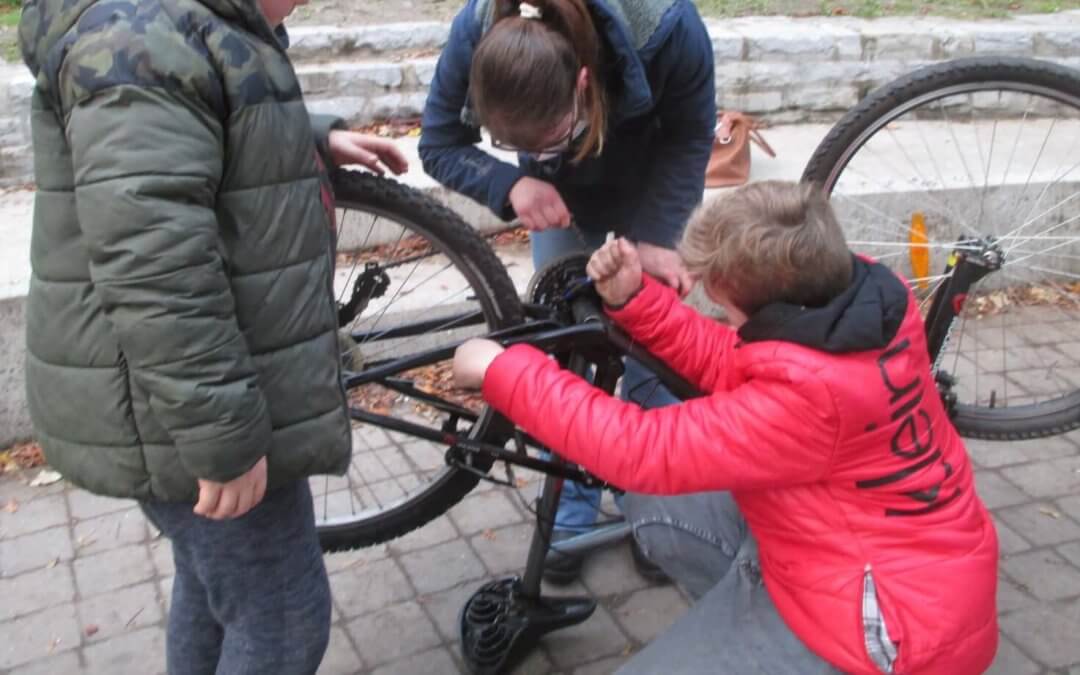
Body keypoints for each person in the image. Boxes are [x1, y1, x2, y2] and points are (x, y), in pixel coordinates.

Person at [453, 181, 1000, 674]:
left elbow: (642, 448)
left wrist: (504, 370)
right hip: (881, 562)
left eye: (720, 298)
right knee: (651, 505)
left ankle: (783, 642)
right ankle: (756, 611)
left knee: (647, 478)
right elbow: (737, 362)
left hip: (886, 633)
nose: (716, 307)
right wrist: (636, 302)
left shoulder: (810, 398)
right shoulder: (862, 303)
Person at [17, 0, 406, 671]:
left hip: (181, 400)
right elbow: (153, 261)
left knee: (217, 587)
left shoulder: (168, 27)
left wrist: (305, 135)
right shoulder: (137, 40)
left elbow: (196, 119)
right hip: (180, 412)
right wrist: (222, 436)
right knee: (281, 617)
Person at [420, 0, 716, 583]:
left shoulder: (666, 29)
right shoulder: (477, 29)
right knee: (571, 347)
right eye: (526, 145)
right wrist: (512, 181)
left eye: (554, 137)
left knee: (652, 359)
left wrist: (657, 238)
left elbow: (688, 140)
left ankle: (658, 513)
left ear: (584, 79)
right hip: (561, 208)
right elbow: (438, 141)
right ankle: (572, 512)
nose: (545, 154)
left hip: (651, 186)